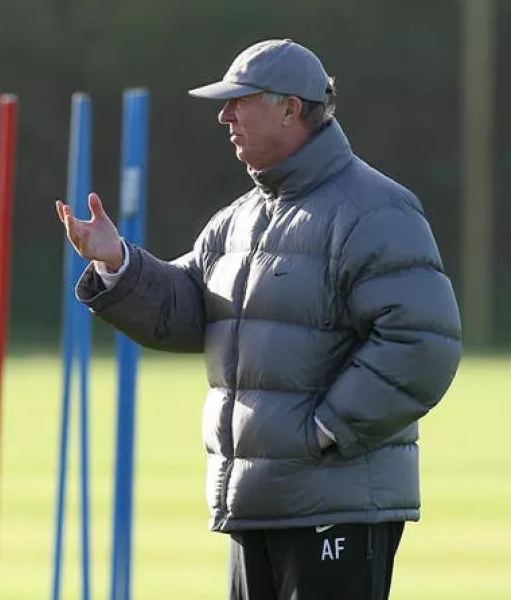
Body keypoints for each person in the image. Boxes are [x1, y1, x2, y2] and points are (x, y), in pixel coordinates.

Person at [56, 38, 461, 599]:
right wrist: (115, 261)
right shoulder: (238, 219)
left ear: (290, 108)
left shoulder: (376, 211)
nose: (225, 115)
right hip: (257, 504)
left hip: (335, 508)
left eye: (239, 100)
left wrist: (324, 431)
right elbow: (187, 309)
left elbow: (424, 344)